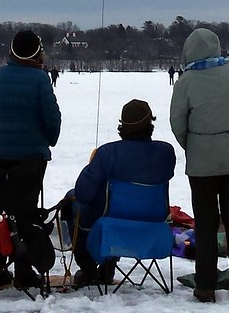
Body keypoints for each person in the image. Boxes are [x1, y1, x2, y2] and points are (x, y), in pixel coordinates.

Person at [170, 27, 229, 304]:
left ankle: (206, 286)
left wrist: (197, 146)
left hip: (202, 168)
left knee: (205, 225)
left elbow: (178, 124)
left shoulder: (185, 82)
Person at [0, 30, 61, 288]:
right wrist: (48, 139)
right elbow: (51, 118)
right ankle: (24, 271)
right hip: (32, 160)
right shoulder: (40, 79)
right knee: (26, 213)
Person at [62, 99, 175, 287]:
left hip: (112, 223)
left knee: (71, 201)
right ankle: (108, 267)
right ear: (150, 123)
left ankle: (89, 269)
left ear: (123, 125)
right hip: (154, 222)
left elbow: (83, 193)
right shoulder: (165, 152)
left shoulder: (108, 153)